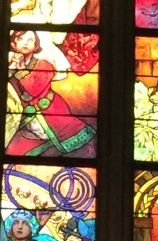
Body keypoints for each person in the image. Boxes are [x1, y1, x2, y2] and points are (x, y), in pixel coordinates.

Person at [5, 30, 96, 158]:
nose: (25, 43)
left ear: (36, 46)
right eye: (20, 39)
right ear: (13, 45)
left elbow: (32, 89)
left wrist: (19, 71)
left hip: (53, 116)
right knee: (11, 153)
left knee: (77, 153)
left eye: (30, 40)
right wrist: (10, 69)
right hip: (25, 124)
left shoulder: (45, 65)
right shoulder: (8, 67)